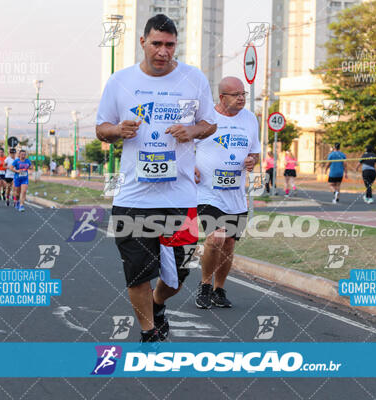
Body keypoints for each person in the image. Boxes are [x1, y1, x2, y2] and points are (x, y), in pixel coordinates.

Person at [95, 14, 217, 342]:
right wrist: (117, 131)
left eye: (170, 45)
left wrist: (192, 130)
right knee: (137, 272)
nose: (163, 51)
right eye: (157, 44)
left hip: (179, 197)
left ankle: (158, 302)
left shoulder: (194, 79)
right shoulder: (120, 81)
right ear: (142, 43)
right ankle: (149, 332)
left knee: (178, 274)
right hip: (133, 198)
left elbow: (210, 124)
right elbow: (101, 129)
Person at [194, 76, 260, 309]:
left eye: (244, 94)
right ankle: (204, 284)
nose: (242, 98)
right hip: (207, 192)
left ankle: (218, 289)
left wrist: (252, 161)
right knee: (217, 237)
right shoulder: (205, 118)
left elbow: (255, 153)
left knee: (229, 244)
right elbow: (183, 146)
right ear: (222, 97)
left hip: (235, 195)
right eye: (236, 94)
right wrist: (189, 165)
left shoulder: (250, 119)